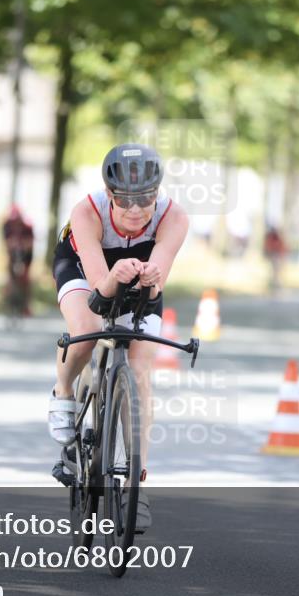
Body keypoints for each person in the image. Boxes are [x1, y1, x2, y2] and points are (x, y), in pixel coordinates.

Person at [49, 143, 189, 531]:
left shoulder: (174, 217)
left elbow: (157, 279)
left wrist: (150, 280)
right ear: (109, 195)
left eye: (145, 198)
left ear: (157, 193)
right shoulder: (86, 212)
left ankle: (136, 485)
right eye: (124, 199)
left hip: (136, 274)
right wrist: (114, 277)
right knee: (89, 330)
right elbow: (98, 290)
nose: (135, 209)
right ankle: (63, 390)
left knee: (141, 370)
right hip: (84, 269)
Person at [2, 204, 34, 317]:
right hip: (12, 254)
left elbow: (30, 242)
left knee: (26, 279)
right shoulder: (6, 225)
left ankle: (26, 305)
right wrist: (12, 244)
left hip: (26, 255)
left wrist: (24, 245)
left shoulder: (27, 226)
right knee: (9, 276)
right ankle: (7, 300)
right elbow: (6, 241)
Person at [263, 227, 286, 293]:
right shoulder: (271, 238)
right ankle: (274, 284)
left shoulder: (278, 239)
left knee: (277, 271)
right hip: (274, 255)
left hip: (277, 255)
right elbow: (269, 247)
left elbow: (281, 247)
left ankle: (276, 284)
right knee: (275, 271)